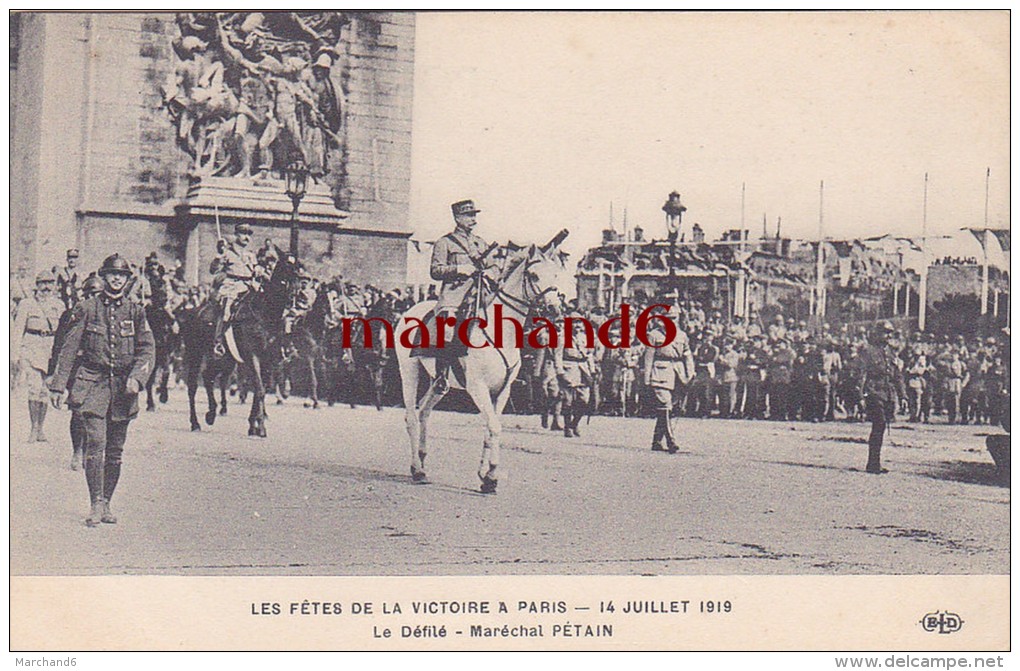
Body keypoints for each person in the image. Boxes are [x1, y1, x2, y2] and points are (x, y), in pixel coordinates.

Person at [48, 254, 155, 527]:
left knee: (116, 450)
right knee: (96, 443)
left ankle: (107, 502)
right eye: (111, 274)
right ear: (104, 277)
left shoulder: (136, 311)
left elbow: (147, 349)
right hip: (92, 384)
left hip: (123, 390)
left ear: (127, 280)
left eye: (121, 275)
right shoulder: (87, 308)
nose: (117, 279)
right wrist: (59, 385)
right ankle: (95, 503)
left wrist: (137, 378)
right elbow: (69, 348)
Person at [428, 199, 495, 393]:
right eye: (468, 215)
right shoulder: (445, 243)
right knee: (447, 330)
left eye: (474, 215)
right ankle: (441, 376)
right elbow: (435, 270)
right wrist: (459, 269)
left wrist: (491, 272)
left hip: (479, 294)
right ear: (457, 218)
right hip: (454, 296)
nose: (473, 219)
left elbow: (494, 266)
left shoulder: (480, 243)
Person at [50, 274, 105, 470]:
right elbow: (60, 346)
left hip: (100, 370)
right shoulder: (71, 314)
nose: (93, 297)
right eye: (89, 293)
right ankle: (77, 450)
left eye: (97, 293)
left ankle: (94, 451)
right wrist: (54, 375)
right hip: (77, 370)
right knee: (78, 413)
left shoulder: (107, 314)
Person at [12, 271, 64, 442]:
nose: (46, 287)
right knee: (34, 387)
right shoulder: (27, 304)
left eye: (50, 283)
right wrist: (14, 355)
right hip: (32, 346)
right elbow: (18, 329)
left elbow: (63, 332)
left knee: (45, 390)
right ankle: (34, 427)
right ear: (37, 285)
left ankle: (41, 428)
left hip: (50, 348)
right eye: (43, 283)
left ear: (54, 286)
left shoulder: (59, 305)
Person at [642, 306, 694, 453]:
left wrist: (690, 373)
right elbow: (648, 357)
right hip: (660, 372)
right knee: (665, 405)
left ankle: (656, 441)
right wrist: (647, 379)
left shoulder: (682, 335)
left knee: (669, 408)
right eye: (668, 318)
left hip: (678, 373)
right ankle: (671, 441)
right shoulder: (654, 335)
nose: (671, 321)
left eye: (674, 318)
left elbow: (687, 356)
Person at [210, 222, 259, 356]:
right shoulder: (227, 252)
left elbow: (255, 272)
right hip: (231, 286)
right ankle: (218, 343)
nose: (246, 237)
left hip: (248, 286)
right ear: (236, 234)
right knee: (226, 311)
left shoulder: (251, 255)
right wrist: (219, 254)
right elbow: (213, 270)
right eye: (243, 233)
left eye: (249, 234)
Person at [857, 321, 898, 474]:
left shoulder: (891, 352)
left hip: (886, 393)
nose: (888, 336)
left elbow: (896, 375)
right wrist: (861, 396)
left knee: (880, 426)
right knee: (879, 424)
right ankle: (873, 463)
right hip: (873, 392)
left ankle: (875, 462)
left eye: (890, 333)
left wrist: (902, 395)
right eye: (886, 332)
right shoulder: (868, 351)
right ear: (877, 333)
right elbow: (861, 375)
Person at [554, 315, 596, 438]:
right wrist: (560, 372)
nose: (578, 325)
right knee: (568, 401)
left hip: (583, 369)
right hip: (569, 368)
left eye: (580, 323)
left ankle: (574, 423)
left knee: (584, 400)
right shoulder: (562, 338)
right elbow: (558, 355)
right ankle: (567, 427)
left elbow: (589, 355)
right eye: (574, 323)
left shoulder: (585, 337)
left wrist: (592, 371)